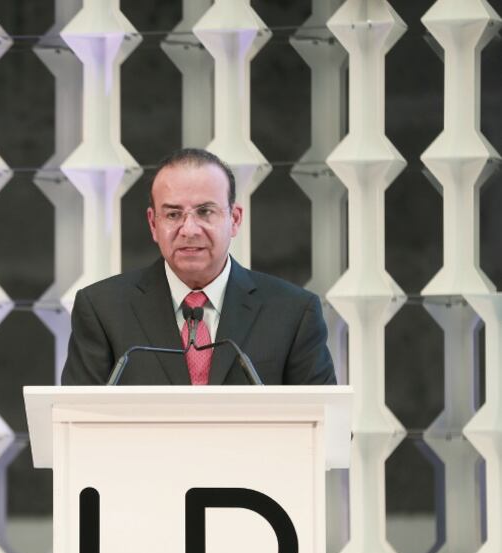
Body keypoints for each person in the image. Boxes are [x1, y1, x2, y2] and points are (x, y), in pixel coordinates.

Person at [61, 148, 336, 386]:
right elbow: (73, 425)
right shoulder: (102, 309)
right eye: (173, 214)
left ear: (235, 219)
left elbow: (327, 430)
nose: (189, 229)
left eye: (205, 212)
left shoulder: (293, 313)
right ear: (153, 224)